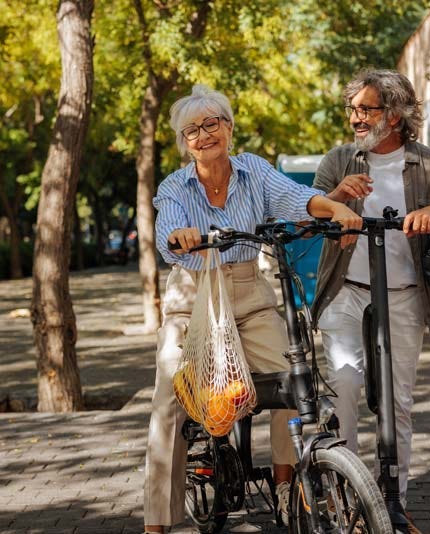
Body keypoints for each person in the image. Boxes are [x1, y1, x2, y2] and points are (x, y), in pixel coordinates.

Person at [144, 84, 362, 533]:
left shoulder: (254, 171)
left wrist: (335, 208)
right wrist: (181, 235)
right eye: (192, 131)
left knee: (293, 377)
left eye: (212, 124)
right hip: (193, 296)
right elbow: (168, 224)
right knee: (170, 392)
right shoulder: (174, 185)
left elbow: (295, 198)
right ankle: (157, 524)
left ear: (229, 126)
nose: (204, 135)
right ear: (184, 142)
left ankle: (287, 488)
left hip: (248, 294)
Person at [311, 69, 430, 532]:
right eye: (353, 109)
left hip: (406, 297)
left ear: (394, 114)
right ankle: (344, 498)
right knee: (345, 385)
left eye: (366, 109)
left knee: (397, 403)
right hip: (346, 293)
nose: (356, 118)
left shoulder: (428, 164)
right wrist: (334, 199)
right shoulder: (340, 160)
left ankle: (393, 504)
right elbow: (306, 216)